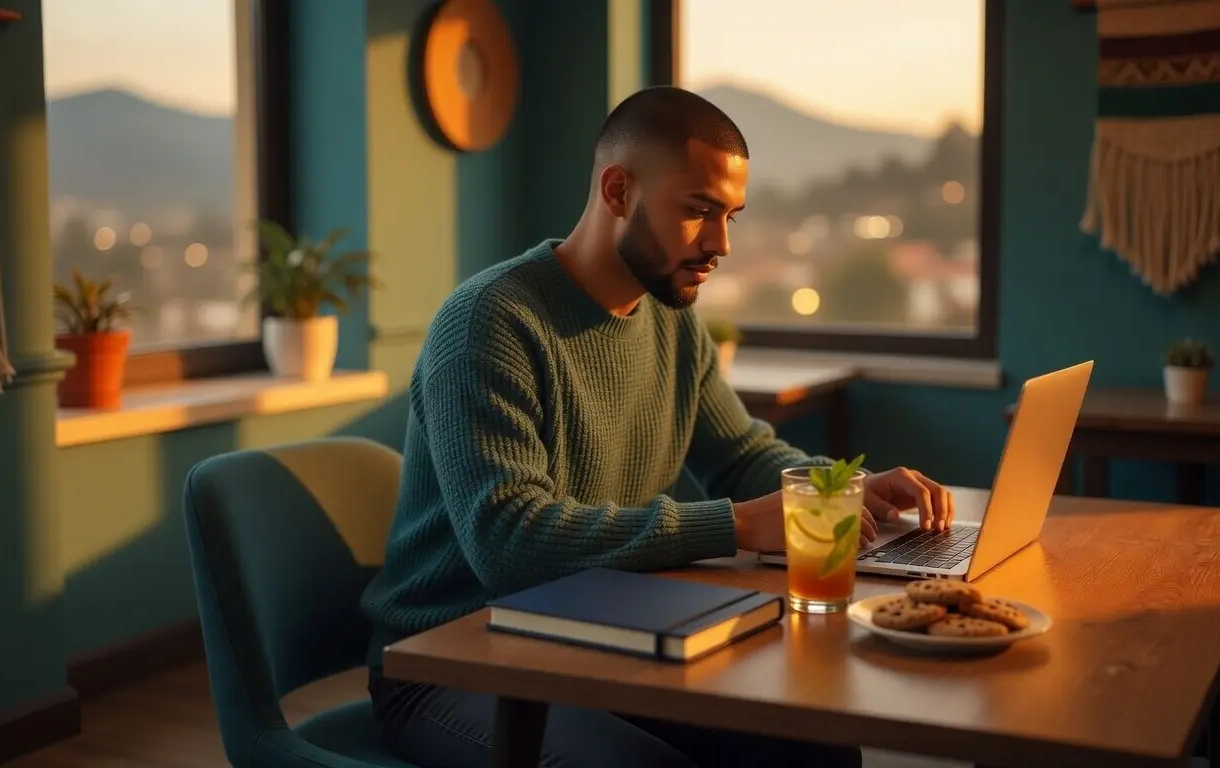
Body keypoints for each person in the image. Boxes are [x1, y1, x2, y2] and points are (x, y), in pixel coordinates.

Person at [359, 85, 955, 767]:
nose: (721, 243)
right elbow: (508, 540)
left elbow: (742, 455)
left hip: (597, 631)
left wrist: (842, 489)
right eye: (699, 210)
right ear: (618, 191)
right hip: (455, 659)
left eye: (730, 215)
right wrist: (735, 524)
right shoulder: (489, 323)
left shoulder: (672, 323)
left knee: (813, 746)